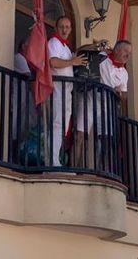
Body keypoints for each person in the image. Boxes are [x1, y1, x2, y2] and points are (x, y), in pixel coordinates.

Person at [48, 16, 87, 166]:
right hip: (58, 87)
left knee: (63, 125)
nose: (64, 30)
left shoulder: (65, 47)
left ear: (70, 30)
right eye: (61, 27)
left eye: (67, 27)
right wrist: (73, 61)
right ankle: (51, 161)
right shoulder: (53, 43)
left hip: (67, 90)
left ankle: (55, 158)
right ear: (56, 28)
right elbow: (53, 62)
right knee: (57, 123)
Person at [95, 39, 131, 168]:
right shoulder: (103, 58)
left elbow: (124, 96)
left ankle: (101, 169)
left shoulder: (124, 73)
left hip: (109, 108)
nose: (128, 55)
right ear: (116, 50)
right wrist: (99, 46)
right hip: (93, 101)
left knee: (105, 139)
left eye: (129, 53)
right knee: (85, 135)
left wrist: (120, 94)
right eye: (126, 51)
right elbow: (91, 53)